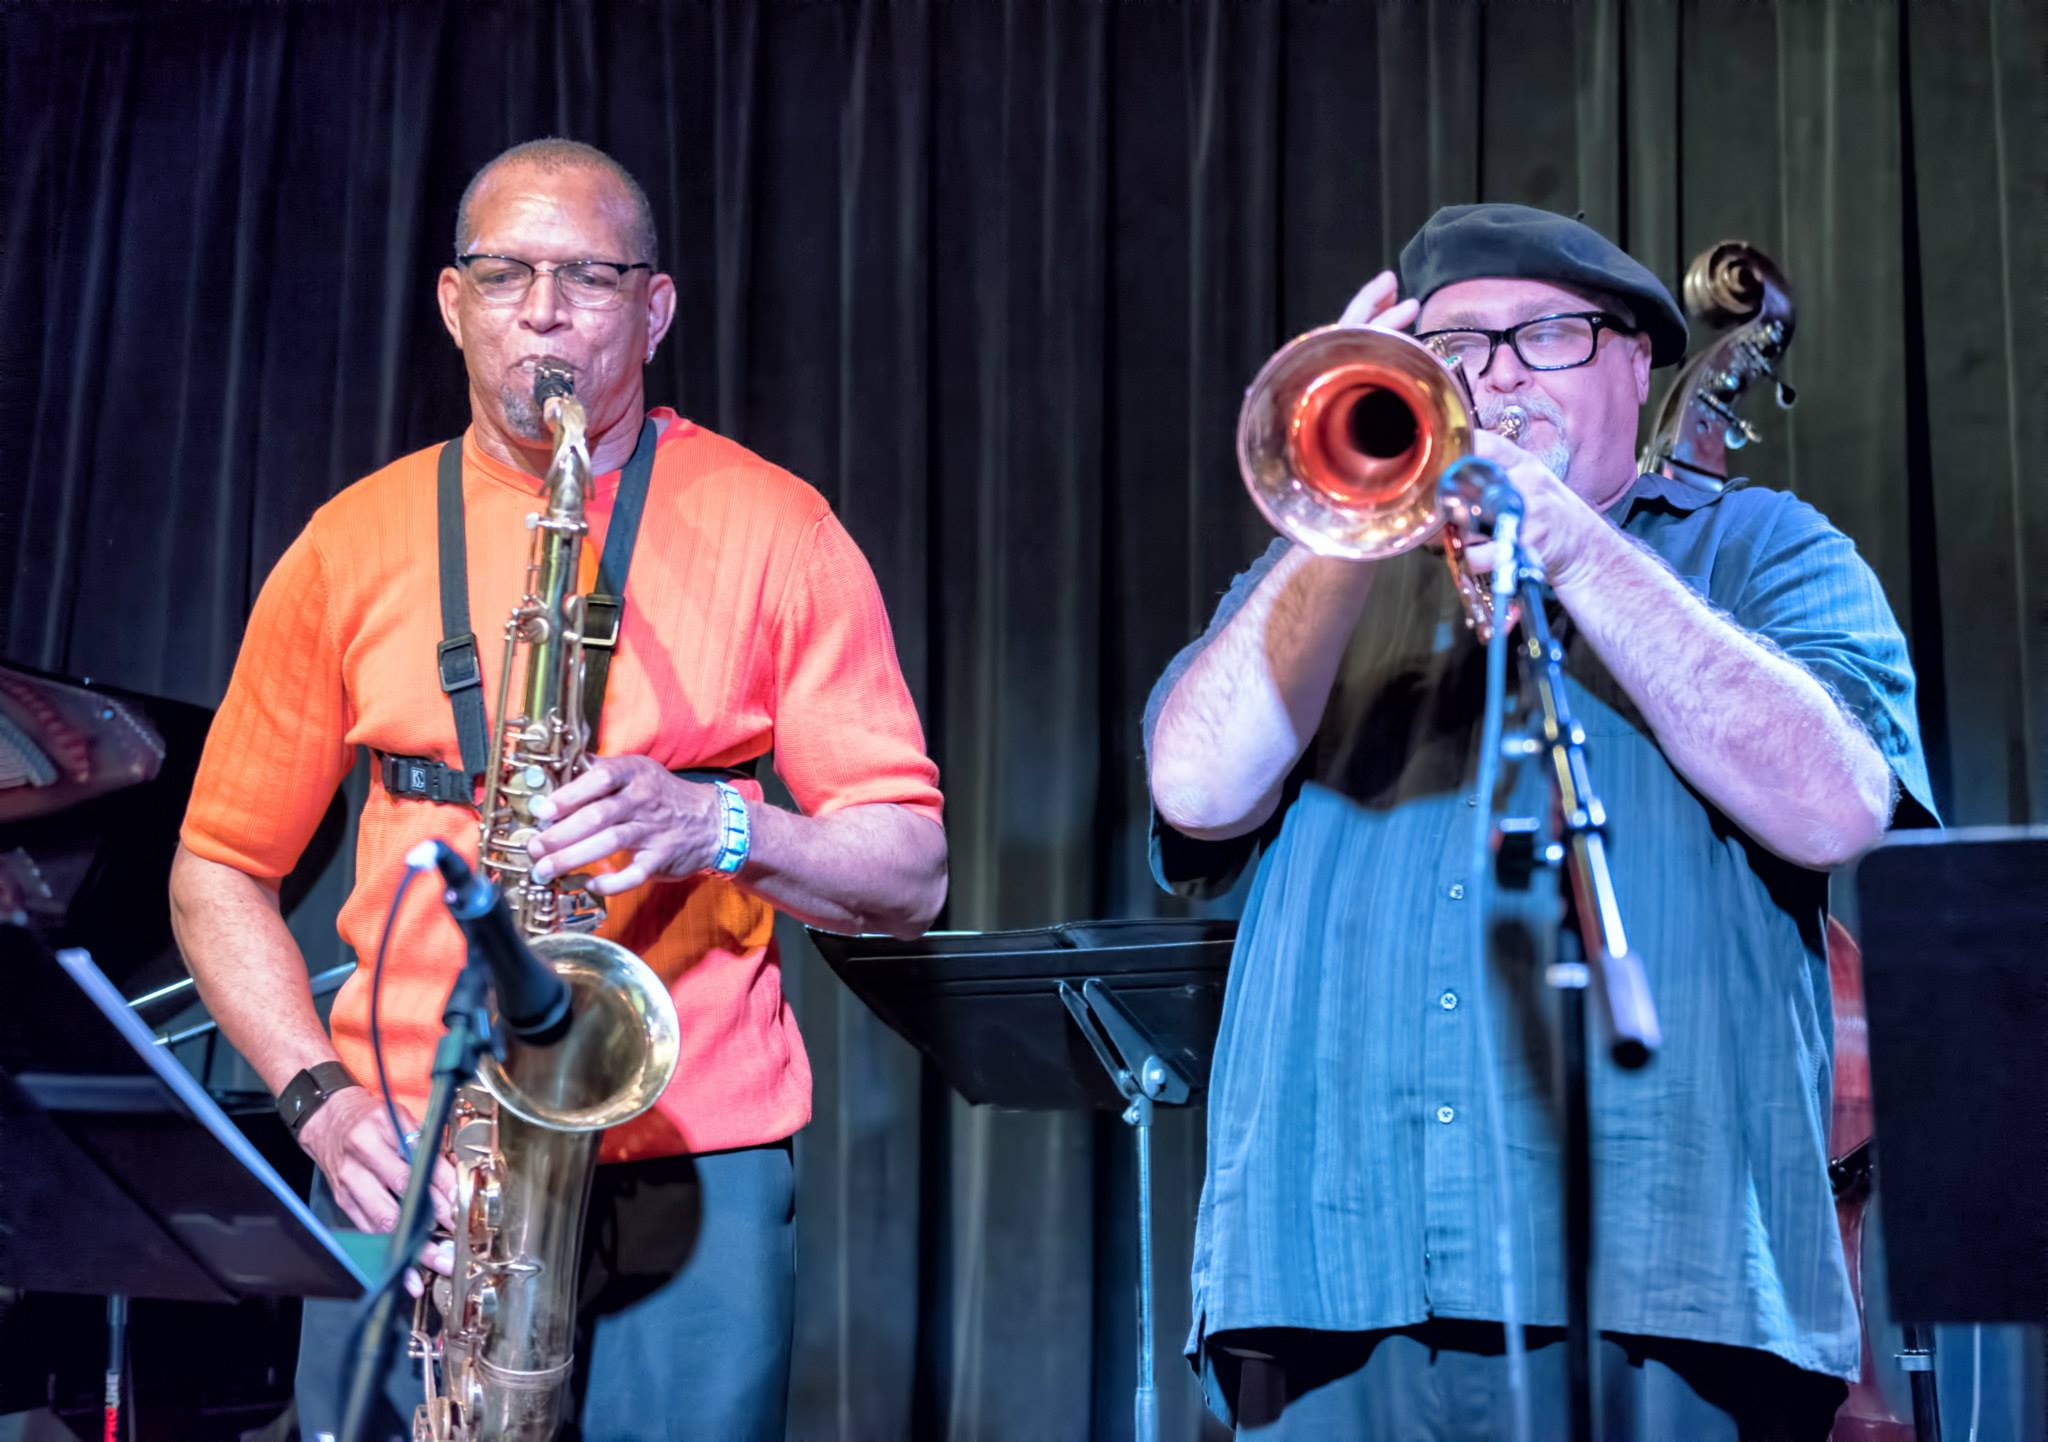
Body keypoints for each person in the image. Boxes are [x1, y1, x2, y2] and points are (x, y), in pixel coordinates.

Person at [169, 138, 947, 1442]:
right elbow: (215, 867)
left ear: (656, 307)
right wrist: (319, 1099)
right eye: (505, 272)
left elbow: (908, 870)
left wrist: (714, 819)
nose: (541, 309)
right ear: (450, 301)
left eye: (587, 275)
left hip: (692, 1154)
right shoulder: (347, 542)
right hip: (413, 1154)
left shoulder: (781, 529)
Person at [1145, 203, 1934, 1441]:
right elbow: (1194, 783)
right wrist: (1343, 514)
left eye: (1546, 337)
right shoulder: (1328, 590)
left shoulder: (1762, 551)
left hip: (1672, 1282)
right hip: (1329, 1275)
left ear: (1635, 359)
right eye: (1452, 345)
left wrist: (1563, 539)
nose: (1497, 375)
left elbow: (1835, 804)